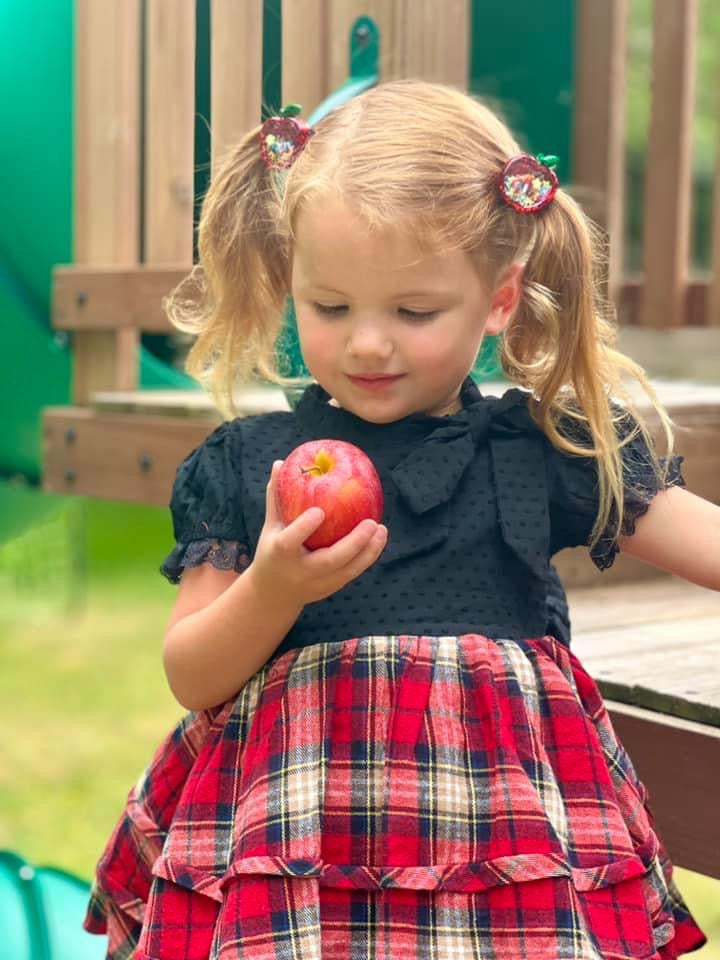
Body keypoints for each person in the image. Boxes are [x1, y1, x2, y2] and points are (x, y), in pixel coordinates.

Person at [84, 81, 718, 959]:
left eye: (414, 312)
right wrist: (272, 585)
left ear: (499, 300)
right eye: (330, 306)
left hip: (502, 856)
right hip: (299, 848)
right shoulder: (252, 465)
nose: (367, 344)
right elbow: (193, 673)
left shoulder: (537, 450)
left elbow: (704, 541)